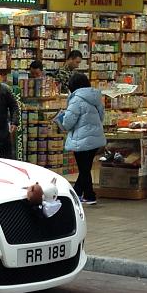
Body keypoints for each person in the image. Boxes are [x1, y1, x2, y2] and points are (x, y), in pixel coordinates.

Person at [62, 73, 106, 205]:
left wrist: (62, 121)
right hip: (95, 137)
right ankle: (77, 192)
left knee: (84, 169)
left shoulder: (76, 99)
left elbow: (68, 122)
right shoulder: (96, 97)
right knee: (86, 167)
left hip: (81, 139)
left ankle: (89, 195)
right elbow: (102, 116)